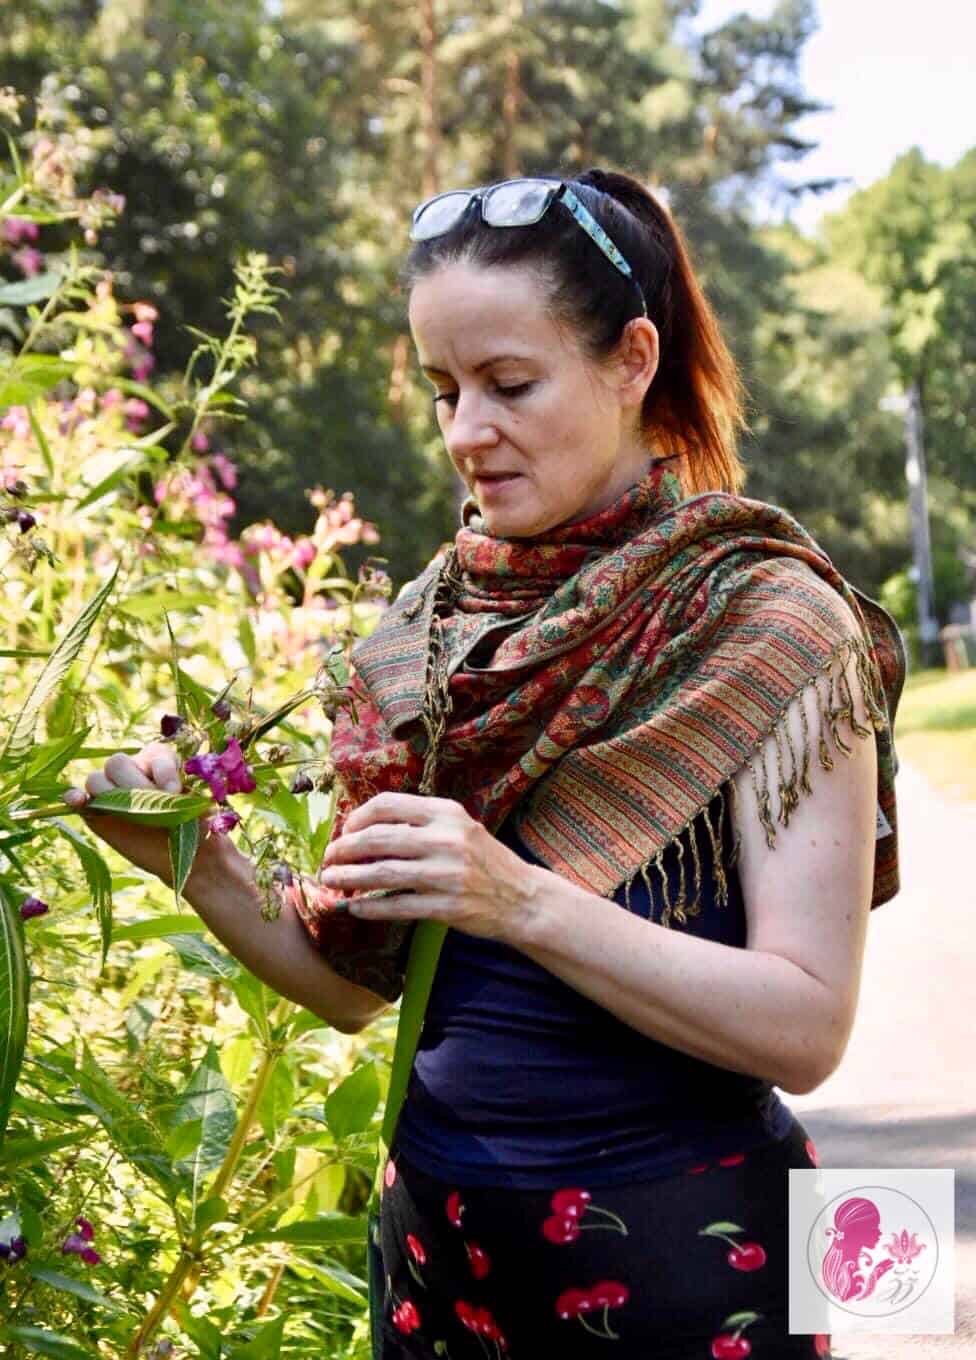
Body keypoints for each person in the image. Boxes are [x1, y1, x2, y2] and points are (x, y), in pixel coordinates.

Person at [65, 169, 904, 1359]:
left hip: (699, 1269)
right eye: (444, 390)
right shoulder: (426, 637)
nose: (465, 431)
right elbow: (355, 990)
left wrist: (515, 899)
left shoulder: (771, 626)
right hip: (440, 1272)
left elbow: (808, 1029)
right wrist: (190, 858)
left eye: (509, 384)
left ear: (631, 360)